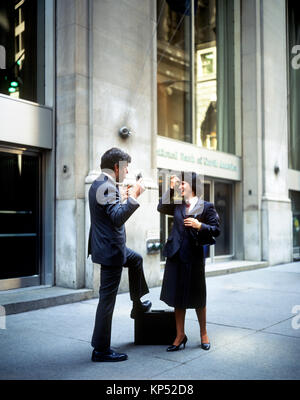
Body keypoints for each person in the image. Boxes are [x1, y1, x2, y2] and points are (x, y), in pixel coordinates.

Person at [88, 147, 152, 362]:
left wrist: (122, 196)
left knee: (136, 260)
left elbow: (108, 211)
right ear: (116, 166)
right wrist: (133, 196)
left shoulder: (100, 184)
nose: (127, 172)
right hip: (111, 251)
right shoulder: (107, 187)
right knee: (107, 301)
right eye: (125, 167)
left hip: (109, 247)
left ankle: (138, 305)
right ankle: (101, 349)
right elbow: (116, 218)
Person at [157, 172, 220, 352]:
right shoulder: (177, 205)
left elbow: (216, 230)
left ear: (193, 186)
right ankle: (180, 335)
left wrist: (200, 226)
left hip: (194, 257)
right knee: (178, 298)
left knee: (198, 297)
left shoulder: (206, 206)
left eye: (182, 183)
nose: (180, 186)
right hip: (176, 256)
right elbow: (161, 207)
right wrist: (170, 188)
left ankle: (203, 333)